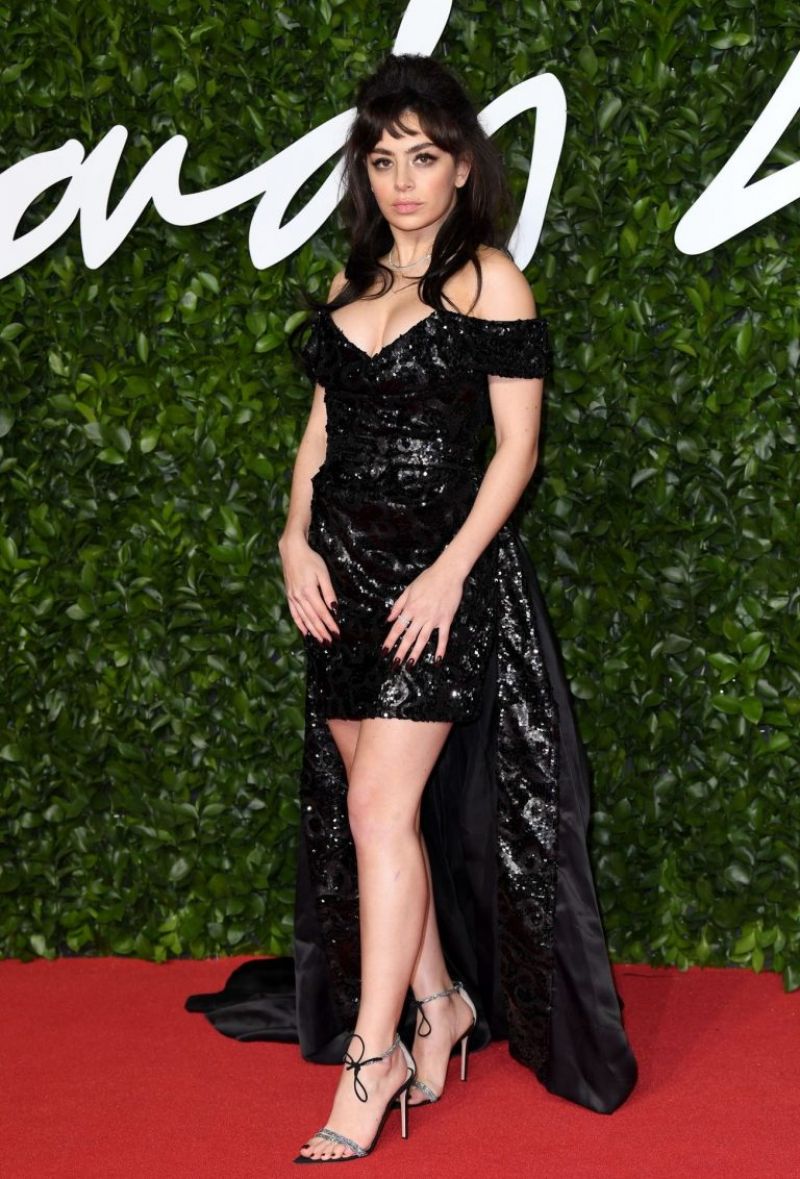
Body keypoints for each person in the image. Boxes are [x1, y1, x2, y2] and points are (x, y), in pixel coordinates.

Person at [185, 52, 637, 1163]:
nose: (402, 181)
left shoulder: (492, 280)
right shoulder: (352, 283)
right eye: (383, 160)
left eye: (423, 158)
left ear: (462, 165)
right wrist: (292, 540)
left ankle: (371, 1057)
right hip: (339, 579)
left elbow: (516, 451)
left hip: (437, 587)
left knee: (380, 811)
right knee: (372, 813)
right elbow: (319, 436)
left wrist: (450, 572)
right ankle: (441, 1004)